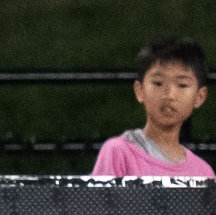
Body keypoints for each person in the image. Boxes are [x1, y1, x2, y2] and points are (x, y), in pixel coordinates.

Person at [91, 36, 214, 178]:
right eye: (158, 83)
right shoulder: (119, 152)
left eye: (182, 85)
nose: (169, 94)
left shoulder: (203, 173)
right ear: (140, 90)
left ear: (200, 96)